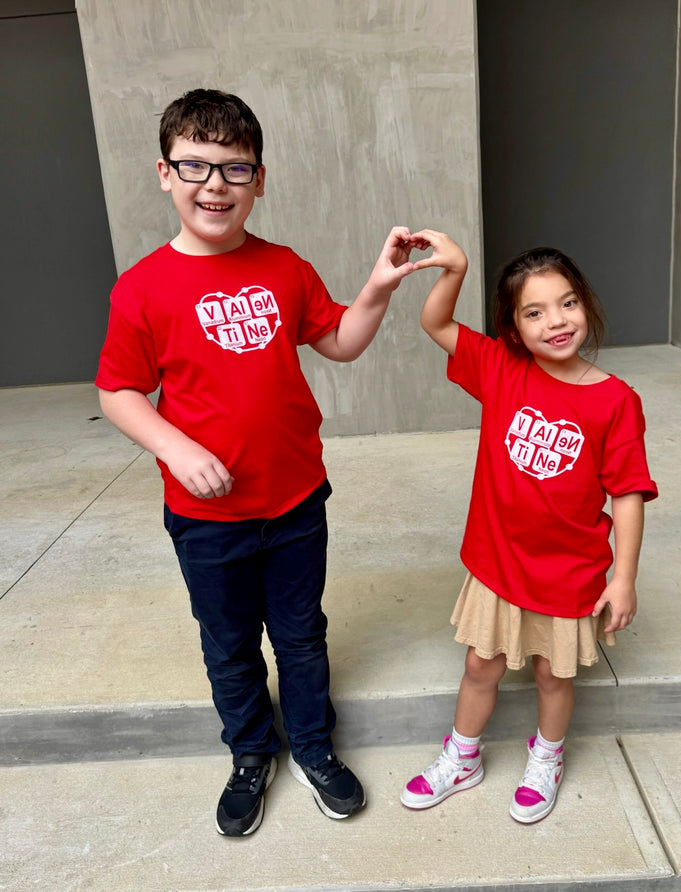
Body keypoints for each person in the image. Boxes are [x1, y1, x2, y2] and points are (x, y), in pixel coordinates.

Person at [95, 88, 419, 837]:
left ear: (260, 180)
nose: (215, 184)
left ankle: (310, 746)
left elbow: (340, 340)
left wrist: (376, 286)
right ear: (165, 173)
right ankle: (250, 753)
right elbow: (117, 391)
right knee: (231, 644)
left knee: (301, 634)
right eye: (196, 165)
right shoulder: (142, 288)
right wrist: (176, 447)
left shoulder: (283, 267)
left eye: (235, 169)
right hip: (208, 520)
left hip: (297, 499)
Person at [401, 230, 658, 823]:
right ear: (514, 329)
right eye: (534, 312)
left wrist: (624, 577)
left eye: (567, 302)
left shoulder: (616, 400)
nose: (557, 321)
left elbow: (627, 493)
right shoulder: (500, 367)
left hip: (568, 570)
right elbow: (436, 323)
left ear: (586, 305)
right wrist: (455, 268)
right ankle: (462, 756)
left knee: (550, 674)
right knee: (479, 666)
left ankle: (547, 756)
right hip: (499, 561)